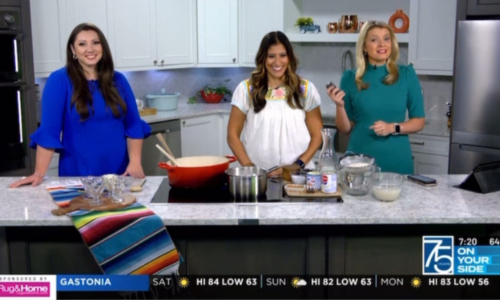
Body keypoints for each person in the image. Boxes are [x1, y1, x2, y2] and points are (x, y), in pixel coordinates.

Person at [10, 23, 151, 188]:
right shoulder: (59, 80)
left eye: (95, 43)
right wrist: (38, 173)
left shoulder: (118, 80)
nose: (90, 49)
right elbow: (49, 131)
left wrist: (135, 162)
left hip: (119, 175)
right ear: (73, 50)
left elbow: (134, 124)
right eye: (82, 44)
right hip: (78, 176)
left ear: (103, 47)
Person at [327, 21, 425, 174]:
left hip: (396, 160)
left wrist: (392, 128)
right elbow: (344, 128)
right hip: (358, 161)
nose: (382, 44)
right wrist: (340, 106)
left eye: (386, 39)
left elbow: (419, 121)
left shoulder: (407, 74)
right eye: (374, 40)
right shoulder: (350, 78)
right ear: (364, 47)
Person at [227, 31, 323, 177]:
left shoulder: (305, 89)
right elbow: (232, 135)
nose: (277, 62)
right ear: (263, 58)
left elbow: (318, 136)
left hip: (299, 176)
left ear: (289, 57)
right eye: (271, 56)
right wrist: (251, 169)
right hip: (259, 178)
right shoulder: (246, 90)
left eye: (283, 55)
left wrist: (297, 165)